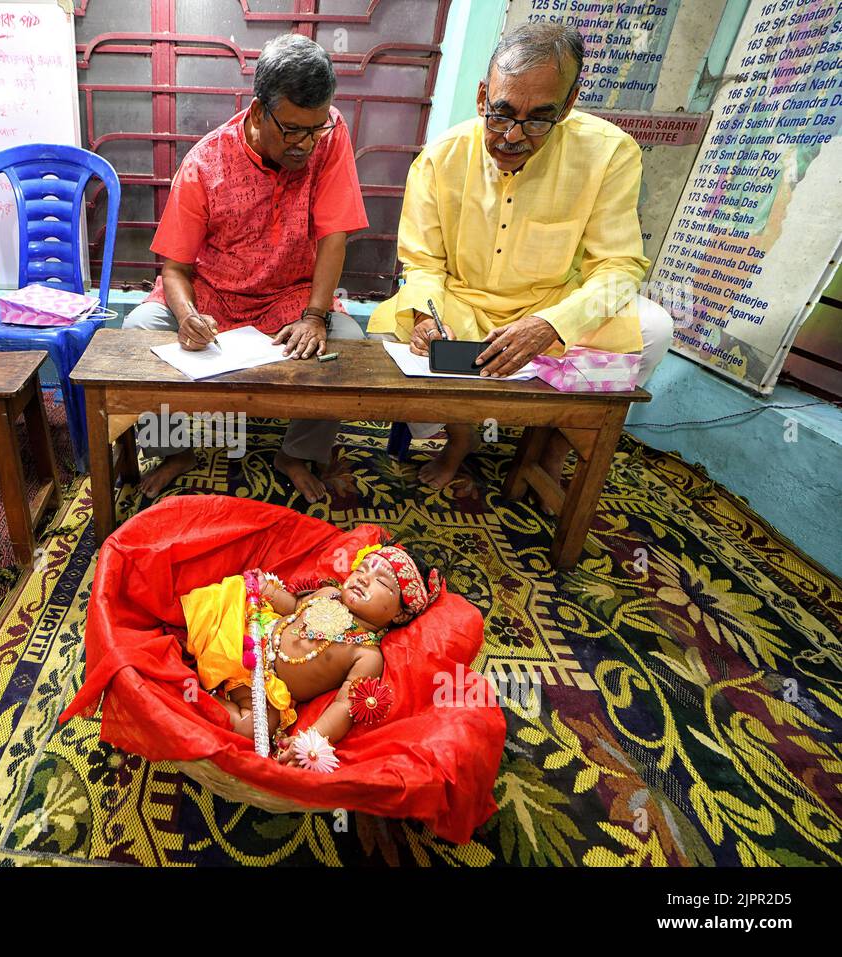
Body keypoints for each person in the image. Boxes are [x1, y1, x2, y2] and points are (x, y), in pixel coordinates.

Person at [368, 22, 674, 490]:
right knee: (394, 334)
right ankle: (459, 436)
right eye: (501, 113)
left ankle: (551, 449)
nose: (511, 136)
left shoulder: (610, 153)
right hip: (462, 303)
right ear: (481, 96)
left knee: (653, 327)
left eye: (537, 120)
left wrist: (554, 324)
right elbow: (424, 263)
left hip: (551, 306)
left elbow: (618, 266)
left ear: (568, 105)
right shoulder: (441, 157)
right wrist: (427, 320)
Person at [124, 33, 369, 504]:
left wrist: (316, 316)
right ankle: (173, 449)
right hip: (215, 296)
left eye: (315, 129)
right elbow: (174, 268)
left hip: (291, 296)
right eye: (294, 130)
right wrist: (189, 317)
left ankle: (296, 452)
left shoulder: (329, 134)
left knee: (348, 346)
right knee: (139, 332)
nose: (306, 144)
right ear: (258, 112)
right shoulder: (204, 164)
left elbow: (333, 235)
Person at [179, 543, 442, 767]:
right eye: (361, 569)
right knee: (221, 600)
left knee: (252, 729)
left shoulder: (366, 655)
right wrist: (267, 590)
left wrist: (311, 738)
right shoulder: (329, 594)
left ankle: (190, 697)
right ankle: (181, 645)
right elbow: (293, 606)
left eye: (382, 581)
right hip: (249, 633)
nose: (363, 578)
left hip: (266, 689)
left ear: (400, 614)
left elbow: (344, 706)